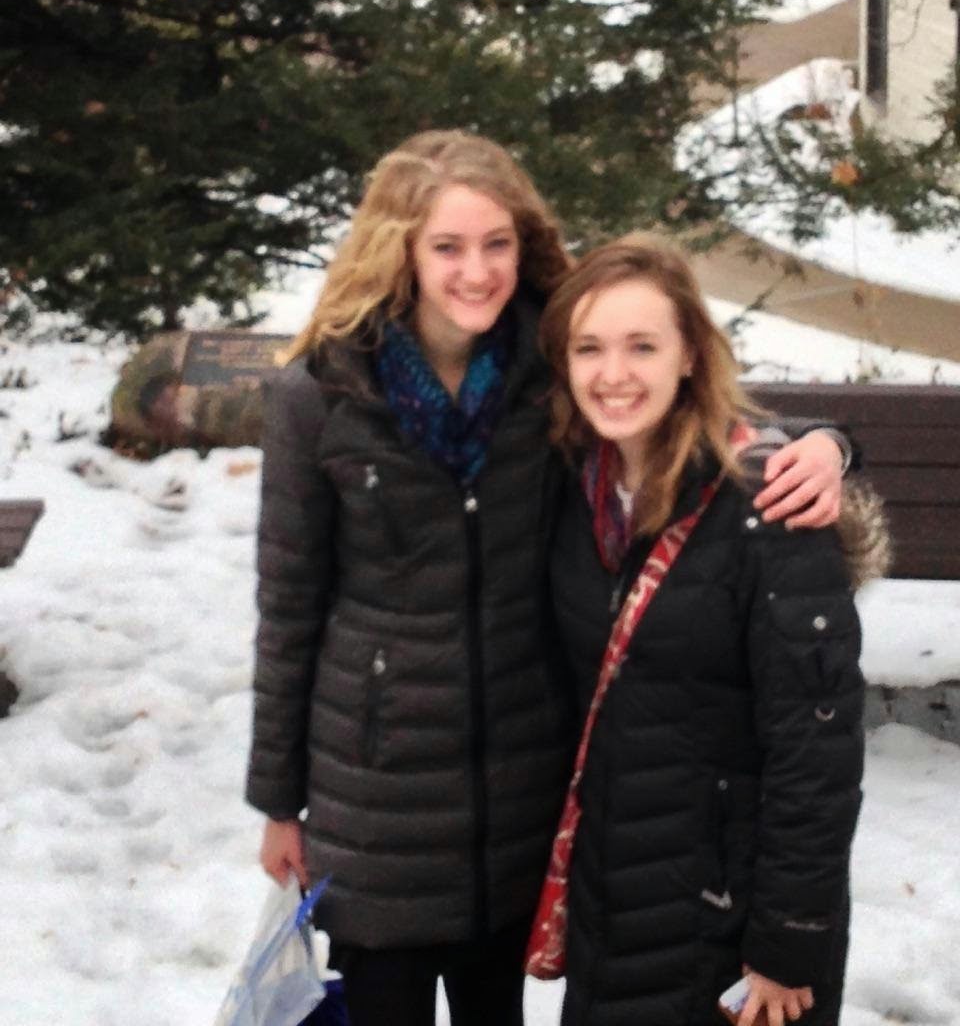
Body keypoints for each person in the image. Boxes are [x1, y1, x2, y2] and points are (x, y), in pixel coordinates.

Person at [245, 132, 849, 1026]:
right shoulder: (325, 392)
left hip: (521, 783)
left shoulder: (547, 367)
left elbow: (685, 412)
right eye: (448, 246)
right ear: (401, 250)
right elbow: (289, 604)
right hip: (379, 794)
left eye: (497, 243)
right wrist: (278, 800)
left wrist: (827, 444)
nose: (477, 270)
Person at [538, 235, 887, 1026]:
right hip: (612, 903)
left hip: (730, 922)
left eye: (642, 346)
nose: (614, 373)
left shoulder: (771, 504)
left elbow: (818, 748)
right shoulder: (575, 491)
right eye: (589, 348)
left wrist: (790, 940)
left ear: (690, 354)